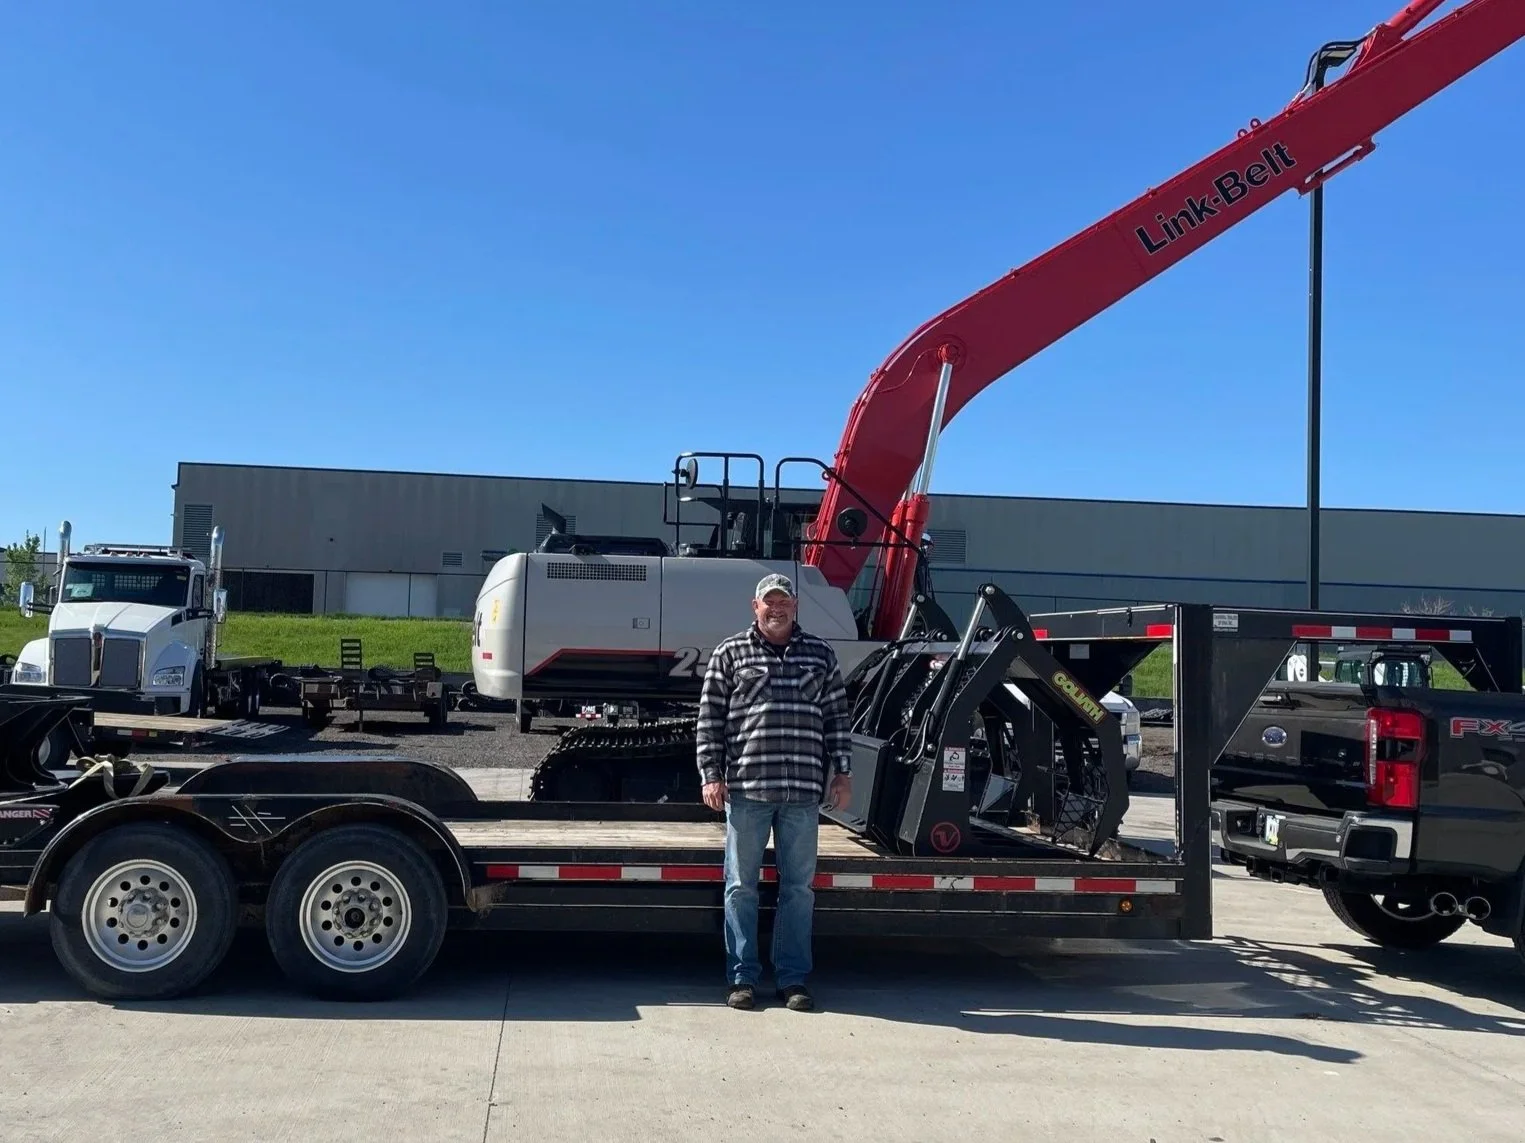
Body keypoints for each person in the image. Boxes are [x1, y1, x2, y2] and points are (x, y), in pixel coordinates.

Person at [695, 571, 853, 1011]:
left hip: (802, 792)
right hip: (747, 790)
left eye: (784, 600)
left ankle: (792, 979)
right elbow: (710, 720)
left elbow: (837, 719)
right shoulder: (730, 653)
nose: (776, 608)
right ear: (755, 606)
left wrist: (842, 772)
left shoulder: (820, 654)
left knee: (798, 889)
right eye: (769, 601)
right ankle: (741, 978)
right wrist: (710, 774)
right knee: (741, 886)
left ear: (796, 606)